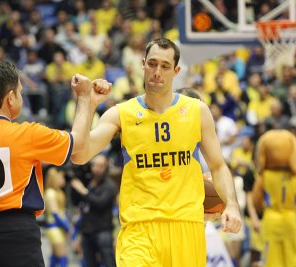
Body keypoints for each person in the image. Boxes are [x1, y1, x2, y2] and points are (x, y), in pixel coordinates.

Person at [71, 38, 242, 266]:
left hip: (185, 226)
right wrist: (87, 103)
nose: (157, 72)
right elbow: (80, 155)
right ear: (143, 64)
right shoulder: (121, 113)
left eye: (164, 66)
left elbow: (218, 166)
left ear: (176, 70)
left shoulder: (197, 111)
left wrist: (231, 204)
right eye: (152, 64)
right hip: (139, 229)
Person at [0, 60, 111, 267]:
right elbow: (79, 143)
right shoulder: (26, 134)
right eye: (20, 92)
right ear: (10, 98)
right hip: (18, 238)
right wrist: (85, 99)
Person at [252, 129, 296, 267]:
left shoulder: (264, 177)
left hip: (271, 218)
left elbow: (256, 201)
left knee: (272, 259)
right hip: (290, 219)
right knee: (293, 258)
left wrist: (263, 208)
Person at [70, 153, 118, 267]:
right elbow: (76, 203)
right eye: (95, 165)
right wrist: (75, 188)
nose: (97, 169)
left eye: (100, 166)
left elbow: (99, 203)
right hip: (87, 232)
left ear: (106, 168)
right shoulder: (89, 183)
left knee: (109, 263)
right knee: (89, 263)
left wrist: (83, 191)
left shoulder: (110, 186)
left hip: (103, 231)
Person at [44, 167, 69, 267]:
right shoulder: (50, 192)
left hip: (58, 227)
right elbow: (55, 213)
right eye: (61, 176)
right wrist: (66, 227)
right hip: (54, 227)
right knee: (62, 257)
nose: (63, 179)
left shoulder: (58, 192)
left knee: (55, 256)